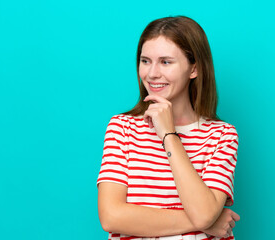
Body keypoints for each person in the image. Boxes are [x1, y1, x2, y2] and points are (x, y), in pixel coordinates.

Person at [97, 16, 240, 240]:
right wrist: (209, 222)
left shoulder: (221, 135)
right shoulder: (122, 128)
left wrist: (169, 134)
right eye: (145, 61)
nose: (152, 73)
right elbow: (111, 216)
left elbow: (203, 215)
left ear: (194, 69)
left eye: (165, 62)